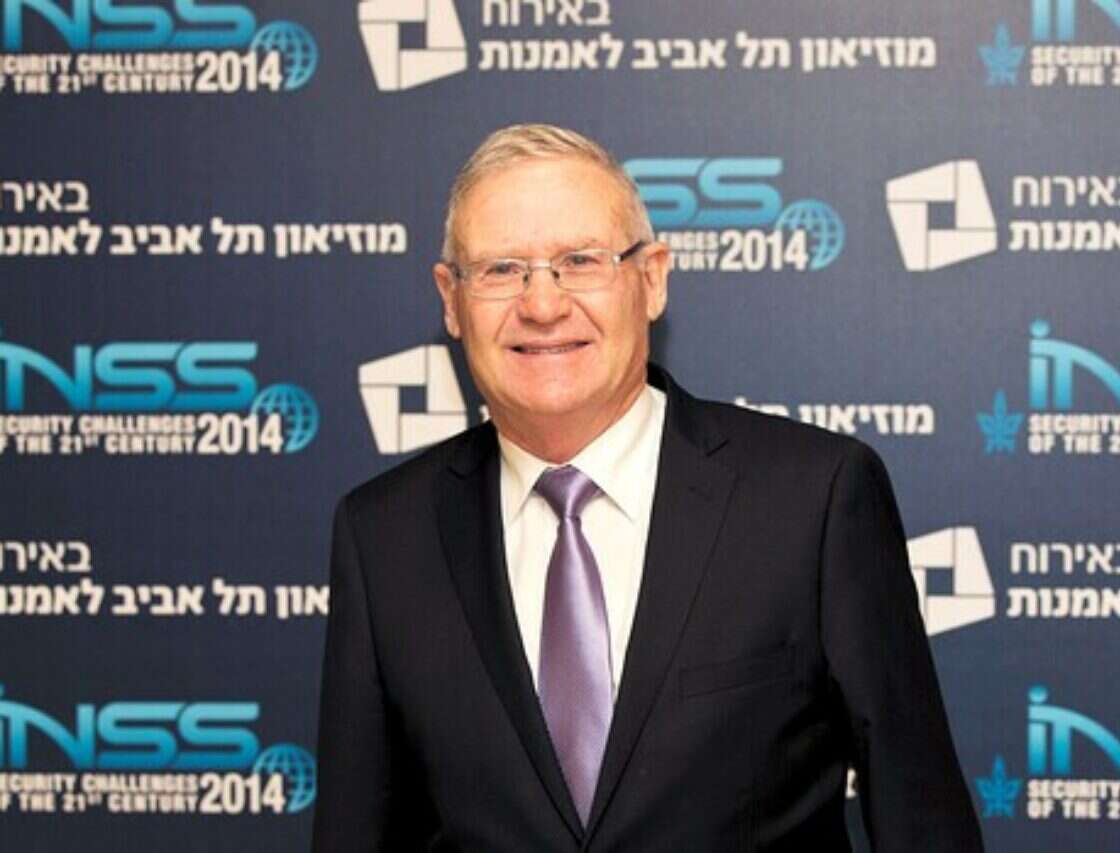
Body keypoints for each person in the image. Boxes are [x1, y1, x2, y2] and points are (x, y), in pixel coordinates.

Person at [312, 124, 982, 851]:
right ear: (451, 298)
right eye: (502, 269)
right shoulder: (384, 537)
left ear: (653, 277)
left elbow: (923, 820)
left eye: (580, 260)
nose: (543, 305)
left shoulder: (813, 499)